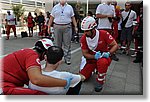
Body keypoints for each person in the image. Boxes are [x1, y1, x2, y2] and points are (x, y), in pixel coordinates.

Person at [1, 38, 73, 95]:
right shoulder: (32, 56)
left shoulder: (27, 52)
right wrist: (64, 82)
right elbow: (36, 80)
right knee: (41, 95)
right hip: (4, 87)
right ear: (45, 53)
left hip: (6, 83)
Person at [80, 16, 118, 92]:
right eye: (84, 31)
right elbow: (85, 54)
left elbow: (115, 45)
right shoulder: (84, 38)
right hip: (92, 59)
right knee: (82, 78)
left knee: (102, 62)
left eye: (87, 31)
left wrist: (108, 53)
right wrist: (94, 56)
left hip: (104, 57)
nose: (85, 33)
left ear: (93, 29)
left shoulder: (103, 34)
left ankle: (100, 80)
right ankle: (94, 69)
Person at [48, 0, 78, 65]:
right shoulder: (55, 7)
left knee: (67, 44)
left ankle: (67, 59)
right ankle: (57, 59)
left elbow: (73, 17)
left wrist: (75, 26)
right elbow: (51, 18)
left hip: (67, 27)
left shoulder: (69, 7)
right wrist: (49, 27)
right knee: (57, 44)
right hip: (57, 26)